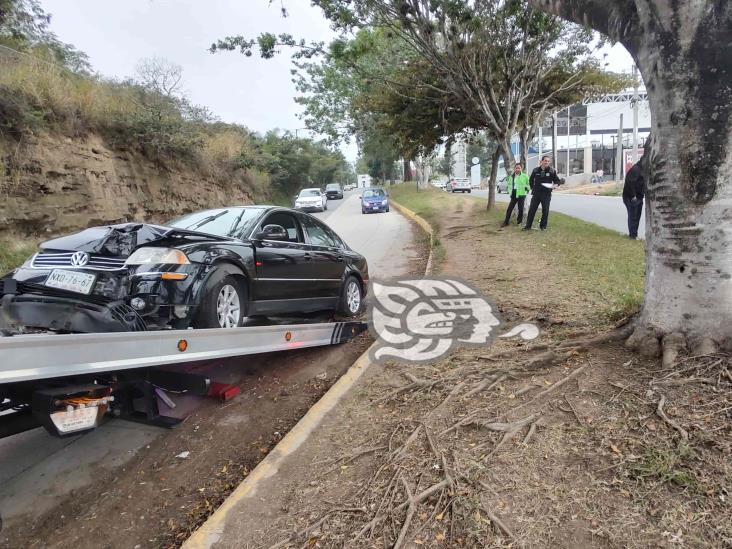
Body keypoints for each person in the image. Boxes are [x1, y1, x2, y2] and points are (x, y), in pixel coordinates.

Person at [523, 156, 562, 231]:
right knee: (532, 210)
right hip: (536, 194)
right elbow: (531, 181)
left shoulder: (552, 171)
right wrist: (533, 188)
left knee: (545, 210)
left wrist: (555, 185)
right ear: (541, 161)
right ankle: (528, 226)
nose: (546, 162)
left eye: (548, 161)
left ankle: (543, 227)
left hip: (546, 194)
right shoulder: (535, 170)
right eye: (545, 161)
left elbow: (557, 181)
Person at [623, 160, 645, 239]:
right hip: (631, 197)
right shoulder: (636, 169)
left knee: (637, 216)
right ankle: (632, 235)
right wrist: (633, 196)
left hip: (639, 196)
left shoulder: (643, 170)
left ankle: (634, 234)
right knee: (633, 216)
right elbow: (630, 183)